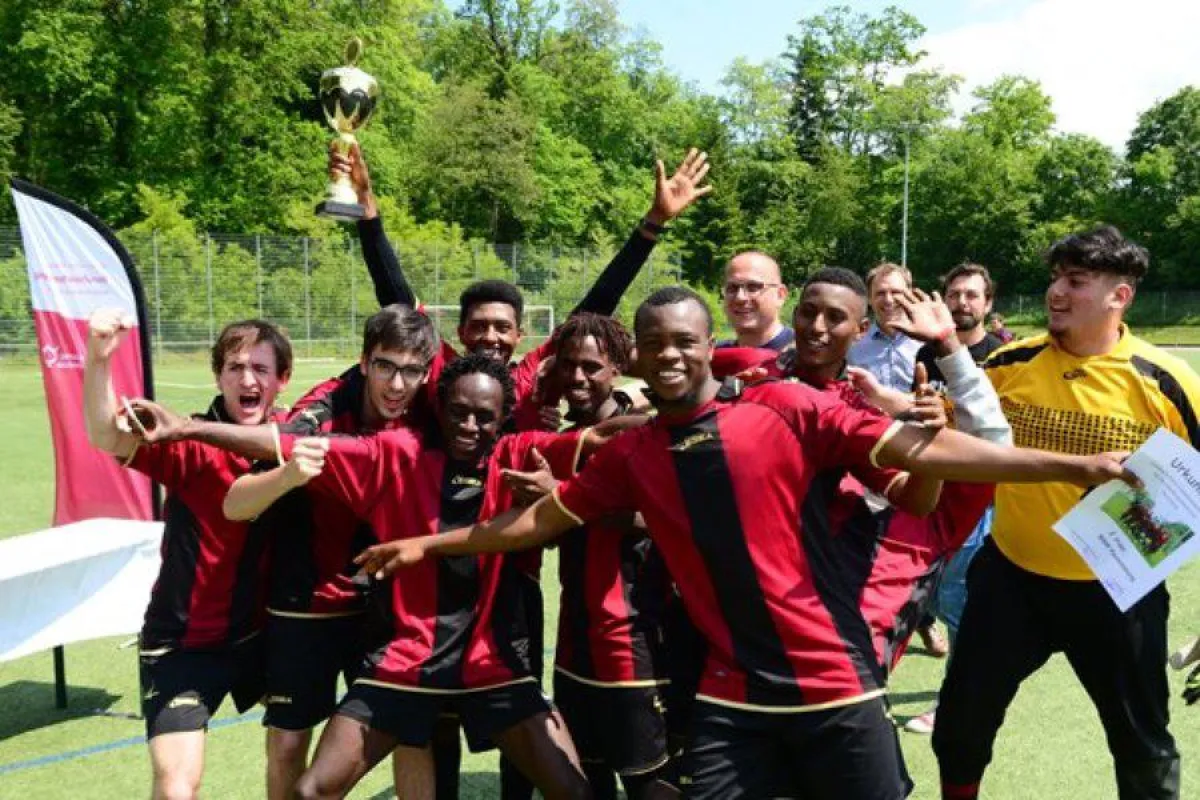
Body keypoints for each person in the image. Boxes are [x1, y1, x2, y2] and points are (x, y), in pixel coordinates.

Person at [355, 287, 1135, 800]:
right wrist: (426, 546)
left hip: (832, 680)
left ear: (706, 346)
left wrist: (1079, 463)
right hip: (732, 691)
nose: (669, 354)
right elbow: (538, 521)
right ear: (639, 354)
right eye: (655, 341)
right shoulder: (631, 454)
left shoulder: (785, 410)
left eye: (683, 340)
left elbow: (927, 455)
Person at [933, 225, 1200, 800]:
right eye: (1057, 277)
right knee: (961, 725)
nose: (1057, 291)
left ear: (1119, 296)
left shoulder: (1168, 382)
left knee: (1144, 746)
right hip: (1012, 578)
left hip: (1118, 591)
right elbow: (949, 435)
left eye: (1076, 281)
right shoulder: (1010, 363)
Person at [340, 142, 711, 433]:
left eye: (502, 328)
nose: (490, 337)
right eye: (479, 326)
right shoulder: (442, 370)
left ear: (520, 334)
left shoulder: (534, 375)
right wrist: (366, 209)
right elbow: (397, 300)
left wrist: (653, 223)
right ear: (460, 332)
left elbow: (596, 305)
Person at [83, 310, 292, 800]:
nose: (248, 379)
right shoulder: (189, 440)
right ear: (218, 375)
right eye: (236, 367)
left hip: (262, 637)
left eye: (261, 369)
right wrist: (98, 358)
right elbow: (104, 435)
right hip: (185, 644)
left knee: (288, 748)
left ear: (282, 380)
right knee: (177, 786)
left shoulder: (292, 438)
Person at [527, 313, 676, 799]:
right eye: (568, 365)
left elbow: (662, 521)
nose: (577, 377)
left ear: (617, 367)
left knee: (648, 780)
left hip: (631, 634)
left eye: (591, 366)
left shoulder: (643, 434)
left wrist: (562, 501)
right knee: (587, 779)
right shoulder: (565, 439)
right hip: (574, 639)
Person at [904, 262, 1008, 721]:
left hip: (983, 494)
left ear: (988, 304)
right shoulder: (926, 355)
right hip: (937, 489)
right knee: (941, 593)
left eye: (972, 295)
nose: (962, 302)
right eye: (955, 294)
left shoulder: (1003, 355)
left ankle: (960, 696)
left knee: (956, 595)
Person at [848, 262, 923, 392]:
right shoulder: (853, 345)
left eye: (895, 292)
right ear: (869, 299)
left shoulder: (925, 342)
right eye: (880, 293)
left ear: (910, 295)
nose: (888, 300)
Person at [717, 251, 793, 351]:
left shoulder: (804, 354)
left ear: (780, 295)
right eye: (732, 288)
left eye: (753, 287)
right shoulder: (716, 358)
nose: (740, 297)